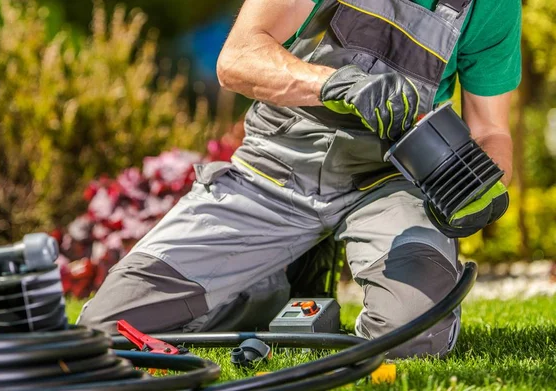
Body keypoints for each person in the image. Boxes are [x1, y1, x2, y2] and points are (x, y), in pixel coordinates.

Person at [78, 0, 521, 358]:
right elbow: (238, 58)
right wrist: (334, 83)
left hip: (388, 183)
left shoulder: (491, 5)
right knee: (108, 328)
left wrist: (480, 182)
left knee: (412, 336)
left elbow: (491, 130)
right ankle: (277, 281)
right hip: (274, 172)